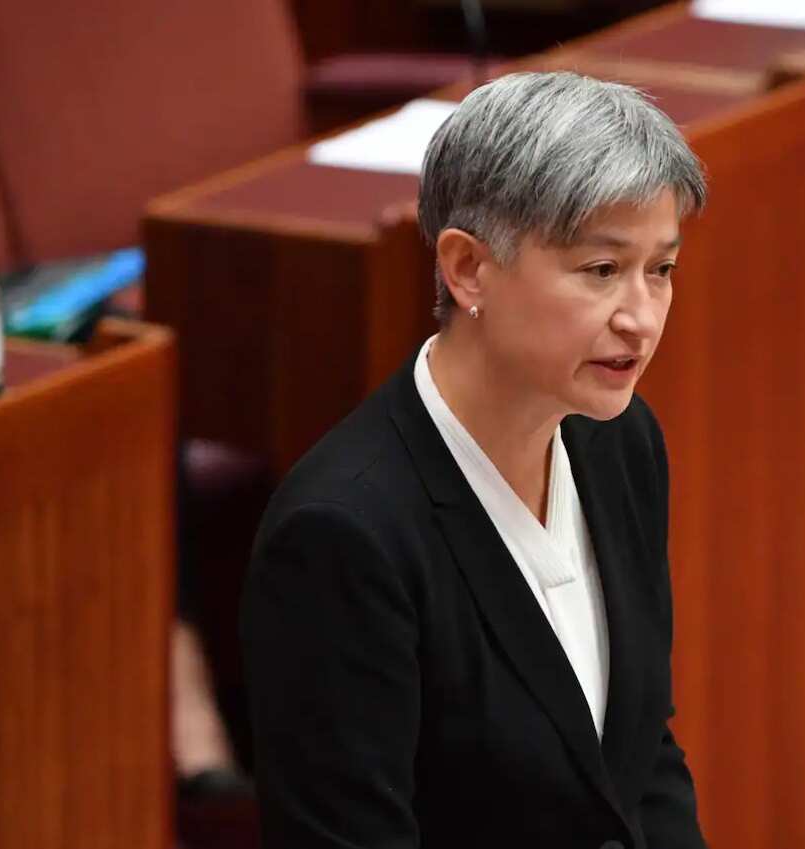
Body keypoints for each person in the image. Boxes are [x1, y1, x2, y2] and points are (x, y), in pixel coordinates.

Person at [241, 71, 708, 848]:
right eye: (601, 270)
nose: (641, 317)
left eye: (660, 270)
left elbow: (639, 756)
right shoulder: (342, 538)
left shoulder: (621, 441)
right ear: (468, 270)